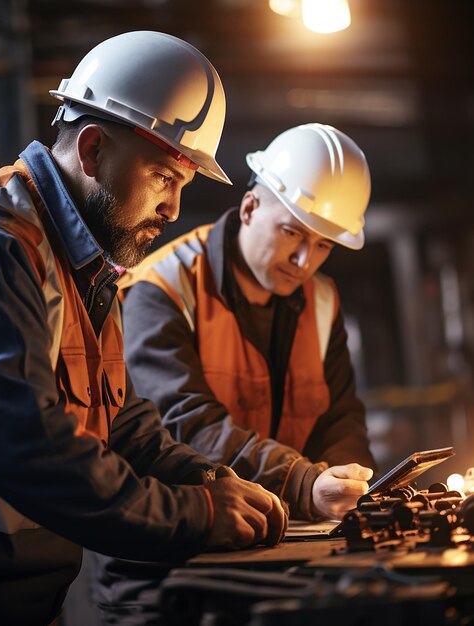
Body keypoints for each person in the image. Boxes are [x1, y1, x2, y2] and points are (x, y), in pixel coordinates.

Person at [0, 31, 288, 626]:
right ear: (91, 149)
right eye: (164, 177)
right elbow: (23, 449)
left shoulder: (78, 262)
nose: (174, 210)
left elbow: (121, 424)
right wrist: (198, 515)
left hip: (8, 598)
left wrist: (207, 478)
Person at [88, 123, 377, 624]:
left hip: (282, 557)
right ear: (249, 209)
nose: (304, 261)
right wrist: (304, 482)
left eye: (324, 246)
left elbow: (341, 416)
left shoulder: (322, 301)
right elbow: (186, 424)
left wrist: (344, 480)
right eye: (292, 233)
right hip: (170, 573)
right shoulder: (162, 288)